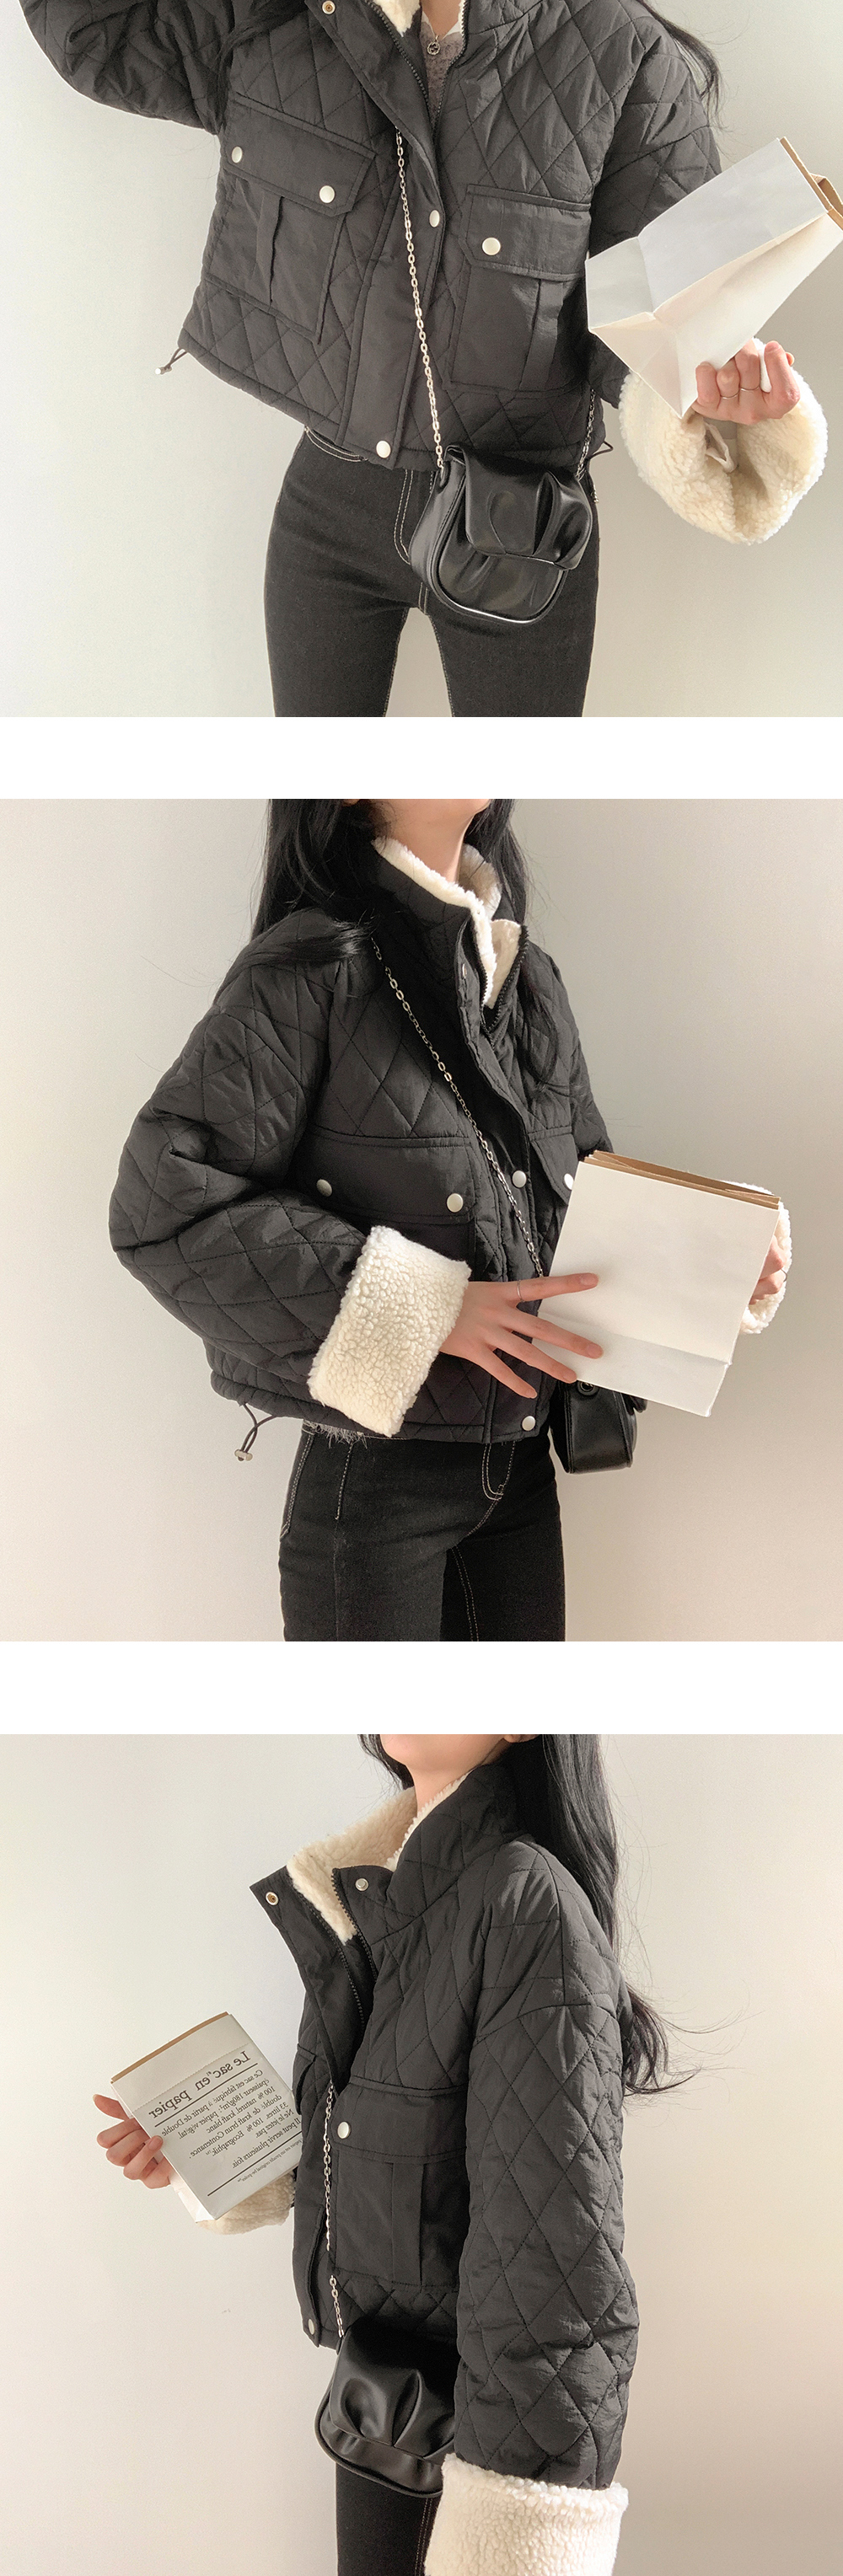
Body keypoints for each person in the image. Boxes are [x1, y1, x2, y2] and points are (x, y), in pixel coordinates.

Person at [20, 1, 827, 716]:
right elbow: (94, 32)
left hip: (523, 526)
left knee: (488, 810)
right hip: (329, 510)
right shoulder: (281, 15)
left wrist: (706, 399)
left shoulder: (621, 53)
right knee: (317, 806)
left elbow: (655, 319)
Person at [108, 799, 790, 1641]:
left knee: (524, 1726)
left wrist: (715, 1269)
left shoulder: (526, 978)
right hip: (378, 1485)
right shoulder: (309, 968)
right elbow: (164, 1210)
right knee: (398, 1725)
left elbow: (577, 1214)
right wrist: (426, 1309)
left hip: (521, 1470)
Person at [93, 1733, 686, 2576]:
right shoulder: (374, 1895)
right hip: (384, 2407)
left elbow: (552, 2250)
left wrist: (513, 2525)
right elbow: (386, 2144)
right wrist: (206, 2159)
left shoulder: (521, 1897)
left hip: (478, 2444)